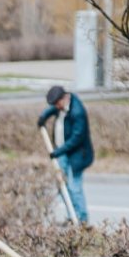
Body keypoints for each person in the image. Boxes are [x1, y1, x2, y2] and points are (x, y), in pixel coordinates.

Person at [37, 85, 94, 223]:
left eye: (57, 103)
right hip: (62, 153)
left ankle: (82, 219)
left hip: (77, 156)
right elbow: (52, 108)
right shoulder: (61, 105)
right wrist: (43, 117)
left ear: (64, 98)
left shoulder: (77, 112)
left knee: (75, 188)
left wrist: (57, 152)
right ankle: (72, 216)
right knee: (62, 185)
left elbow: (77, 138)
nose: (56, 107)